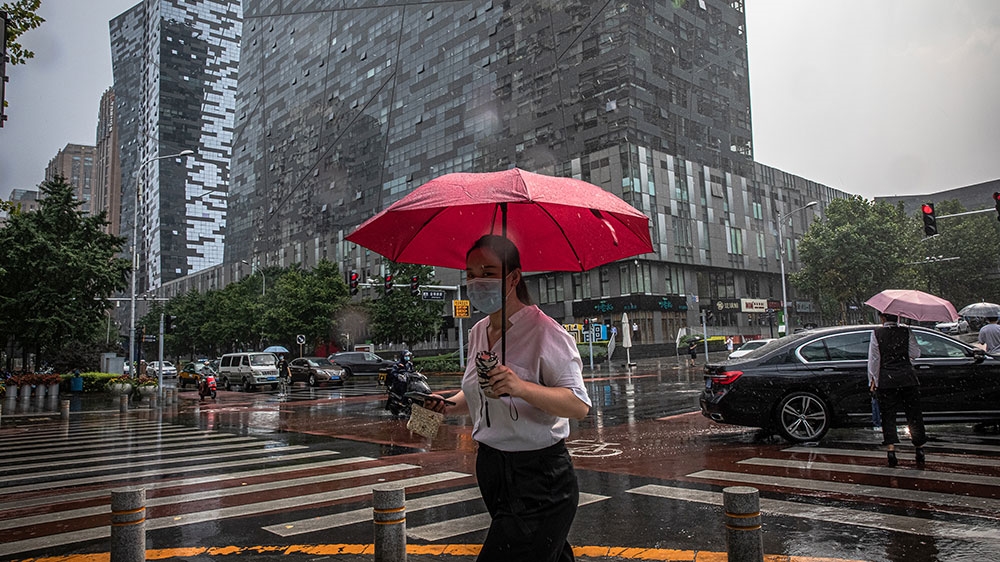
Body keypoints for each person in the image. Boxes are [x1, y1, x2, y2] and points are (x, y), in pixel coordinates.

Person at [426, 234, 591, 562]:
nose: (477, 282)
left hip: (539, 476)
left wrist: (519, 387)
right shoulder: (478, 331)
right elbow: (478, 393)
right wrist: (445, 405)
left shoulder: (545, 332)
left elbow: (578, 405)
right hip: (492, 468)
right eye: (470, 274)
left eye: (488, 272)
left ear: (514, 277)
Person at [868, 312, 926, 467]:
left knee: (888, 415)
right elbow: (916, 353)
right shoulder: (906, 331)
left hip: (887, 380)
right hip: (908, 378)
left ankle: (891, 450)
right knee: (914, 414)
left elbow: (874, 359)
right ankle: (919, 448)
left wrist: (873, 379)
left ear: (883, 318)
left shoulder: (877, 333)